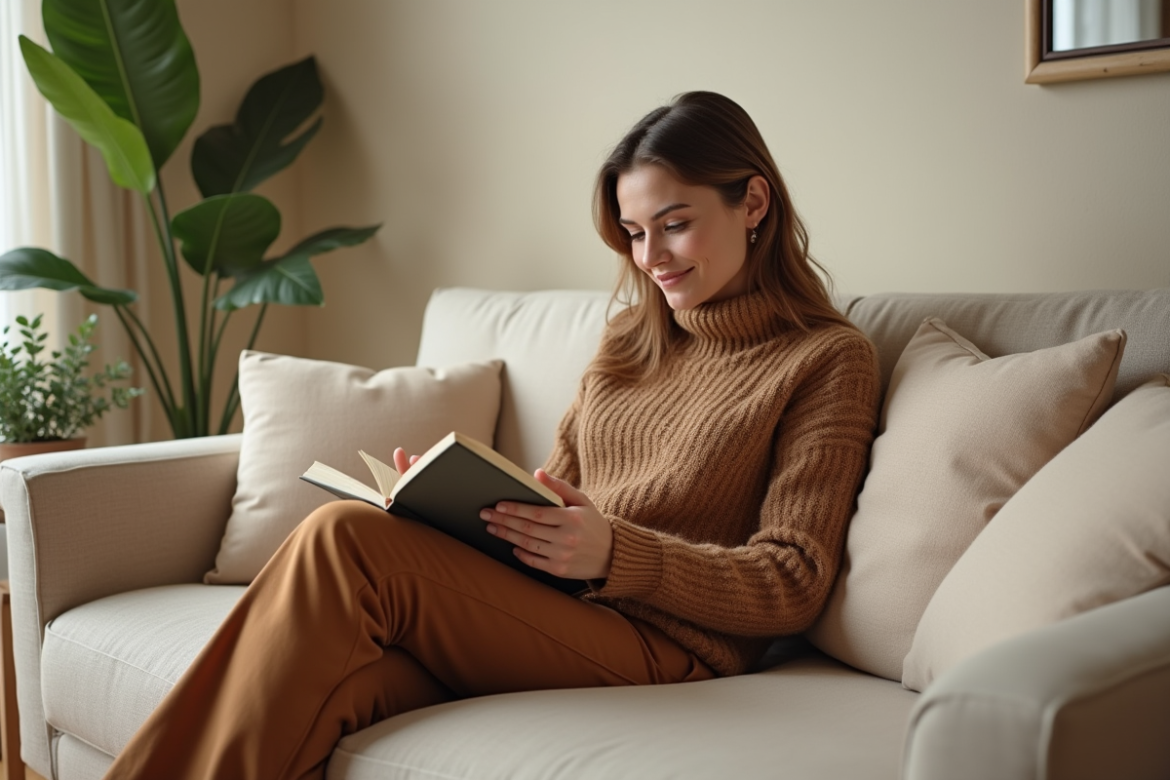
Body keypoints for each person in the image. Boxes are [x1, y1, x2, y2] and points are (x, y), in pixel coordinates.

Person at [103, 91, 881, 780]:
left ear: (753, 202)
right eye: (634, 233)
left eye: (675, 225)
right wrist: (453, 510)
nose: (651, 258)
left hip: (668, 647)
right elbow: (555, 490)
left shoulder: (825, 359)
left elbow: (794, 579)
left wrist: (617, 553)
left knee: (343, 538)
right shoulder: (629, 341)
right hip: (559, 609)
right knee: (338, 687)